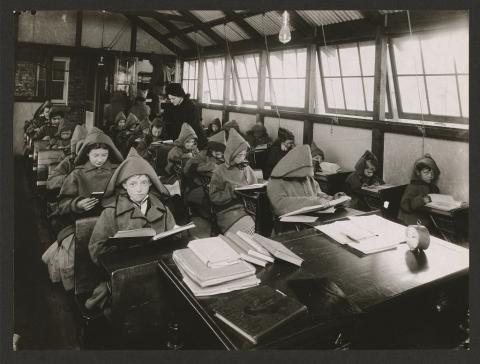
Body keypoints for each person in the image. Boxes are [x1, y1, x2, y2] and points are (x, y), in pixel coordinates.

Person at [86, 148, 176, 314]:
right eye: (133, 183)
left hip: (159, 271)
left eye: (144, 182)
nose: (139, 189)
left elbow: (175, 239)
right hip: (125, 275)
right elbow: (96, 249)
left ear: (151, 183)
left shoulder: (162, 208)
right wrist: (121, 251)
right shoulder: (111, 212)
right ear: (124, 185)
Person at [56, 127, 124, 225]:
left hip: (113, 220)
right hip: (84, 222)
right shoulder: (77, 174)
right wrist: (77, 204)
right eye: (96, 155)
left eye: (104, 155)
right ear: (87, 153)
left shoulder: (117, 171)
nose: (100, 160)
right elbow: (62, 204)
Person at [267, 145, 346, 217]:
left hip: (311, 218)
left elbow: (318, 195)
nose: (305, 178)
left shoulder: (307, 178)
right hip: (287, 224)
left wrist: (333, 198)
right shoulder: (276, 181)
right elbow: (281, 206)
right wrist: (314, 201)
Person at [209, 129, 258, 234]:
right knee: (250, 233)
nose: (243, 158)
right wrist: (231, 191)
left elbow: (255, 187)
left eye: (244, 154)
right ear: (232, 154)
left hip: (249, 207)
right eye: (239, 155)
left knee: (263, 228)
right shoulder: (219, 170)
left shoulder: (247, 168)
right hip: (229, 210)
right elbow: (213, 197)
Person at [183, 131, 226, 215]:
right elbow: (187, 169)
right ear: (210, 148)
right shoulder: (203, 154)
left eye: (220, 150)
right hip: (200, 184)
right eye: (215, 149)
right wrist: (208, 166)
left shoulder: (226, 158)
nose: (218, 152)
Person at [398, 154, 440, 227]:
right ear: (418, 173)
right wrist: (421, 200)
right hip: (409, 221)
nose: (430, 175)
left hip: (424, 220)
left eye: (432, 173)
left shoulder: (432, 187)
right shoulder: (412, 186)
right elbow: (404, 205)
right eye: (426, 173)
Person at [164, 83, 207, 147]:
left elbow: (187, 128)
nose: (171, 101)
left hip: (195, 140)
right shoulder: (176, 105)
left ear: (180, 96)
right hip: (184, 138)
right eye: (170, 99)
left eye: (173, 98)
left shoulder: (190, 107)